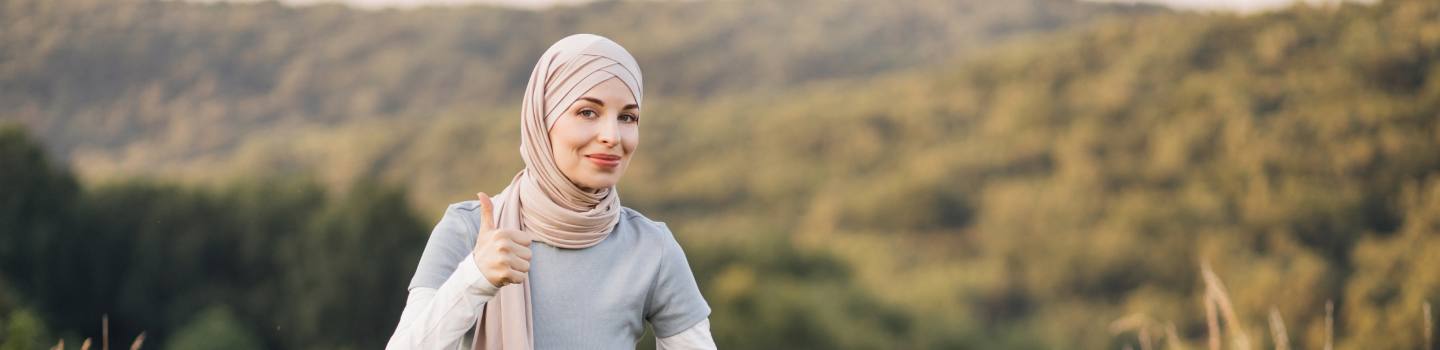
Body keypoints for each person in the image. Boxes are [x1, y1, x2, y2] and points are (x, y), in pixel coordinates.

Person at [384, 34, 716, 350]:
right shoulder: (468, 230)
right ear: (542, 120)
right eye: (588, 112)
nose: (612, 136)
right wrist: (474, 277)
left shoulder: (652, 249)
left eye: (628, 117)